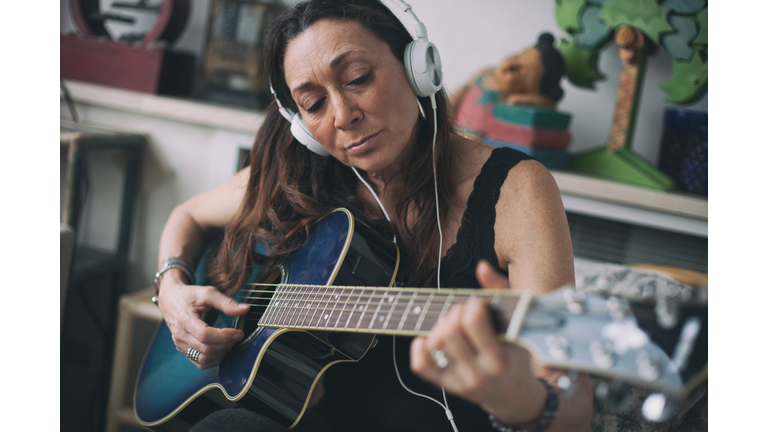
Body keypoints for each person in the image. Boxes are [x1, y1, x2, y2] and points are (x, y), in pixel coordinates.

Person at [154, 1, 593, 431]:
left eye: (358, 78)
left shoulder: (516, 188)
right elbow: (187, 215)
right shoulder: (301, 167)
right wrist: (172, 288)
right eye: (313, 104)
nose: (344, 116)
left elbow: (573, 405)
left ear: (418, 67)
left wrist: (524, 401)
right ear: (302, 127)